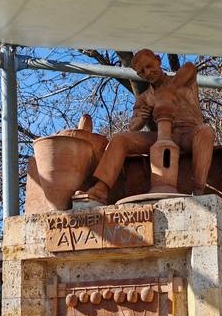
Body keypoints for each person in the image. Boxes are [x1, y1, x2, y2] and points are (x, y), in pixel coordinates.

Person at [87, 49, 215, 204]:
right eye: (141, 72)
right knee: (120, 139)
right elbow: (133, 126)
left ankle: (199, 190)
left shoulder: (183, 81)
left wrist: (167, 92)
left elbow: (190, 68)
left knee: (206, 131)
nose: (147, 73)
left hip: (190, 133)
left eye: (149, 66)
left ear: (158, 60)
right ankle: (102, 188)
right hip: (163, 136)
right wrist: (142, 117)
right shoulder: (144, 98)